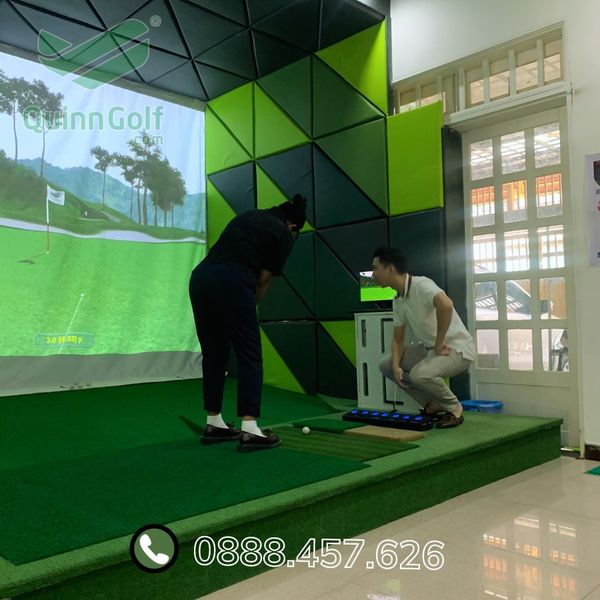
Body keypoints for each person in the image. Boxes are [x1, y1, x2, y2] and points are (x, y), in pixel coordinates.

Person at [189, 194, 307, 451]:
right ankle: (251, 429)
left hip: (200, 278)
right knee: (249, 354)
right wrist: (250, 304)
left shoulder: (249, 215)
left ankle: (214, 423)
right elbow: (263, 279)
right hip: (233, 281)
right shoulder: (283, 233)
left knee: (214, 353)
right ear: (293, 225)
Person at [372, 247, 475, 428]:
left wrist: (439, 343)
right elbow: (398, 340)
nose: (373, 274)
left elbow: (446, 305)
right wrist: (396, 366)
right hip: (430, 349)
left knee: (419, 375)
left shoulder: (421, 284)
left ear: (390, 269)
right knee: (386, 366)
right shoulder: (398, 300)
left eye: (375, 268)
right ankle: (433, 405)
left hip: (456, 348)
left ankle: (454, 408)